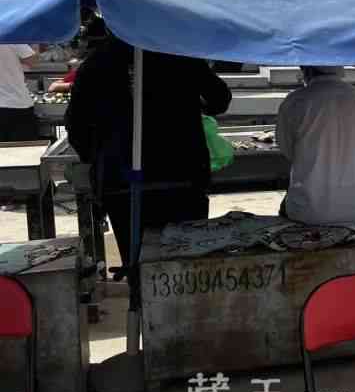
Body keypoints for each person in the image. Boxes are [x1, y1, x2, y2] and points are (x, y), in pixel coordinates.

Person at [66, 36, 232, 267]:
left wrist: (97, 156)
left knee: (136, 262)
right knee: (185, 261)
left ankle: (138, 296)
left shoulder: (97, 62)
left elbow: (76, 128)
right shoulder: (179, 52)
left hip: (122, 182)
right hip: (180, 177)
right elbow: (220, 100)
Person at [276, 66, 355, 225]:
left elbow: (287, 150)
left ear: (305, 70)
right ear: (341, 70)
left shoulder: (295, 101)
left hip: (309, 211)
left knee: (289, 205)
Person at [0, 44, 39, 141]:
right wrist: (35, 42)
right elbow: (33, 61)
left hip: (13, 103)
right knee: (23, 150)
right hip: (16, 104)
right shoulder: (11, 38)